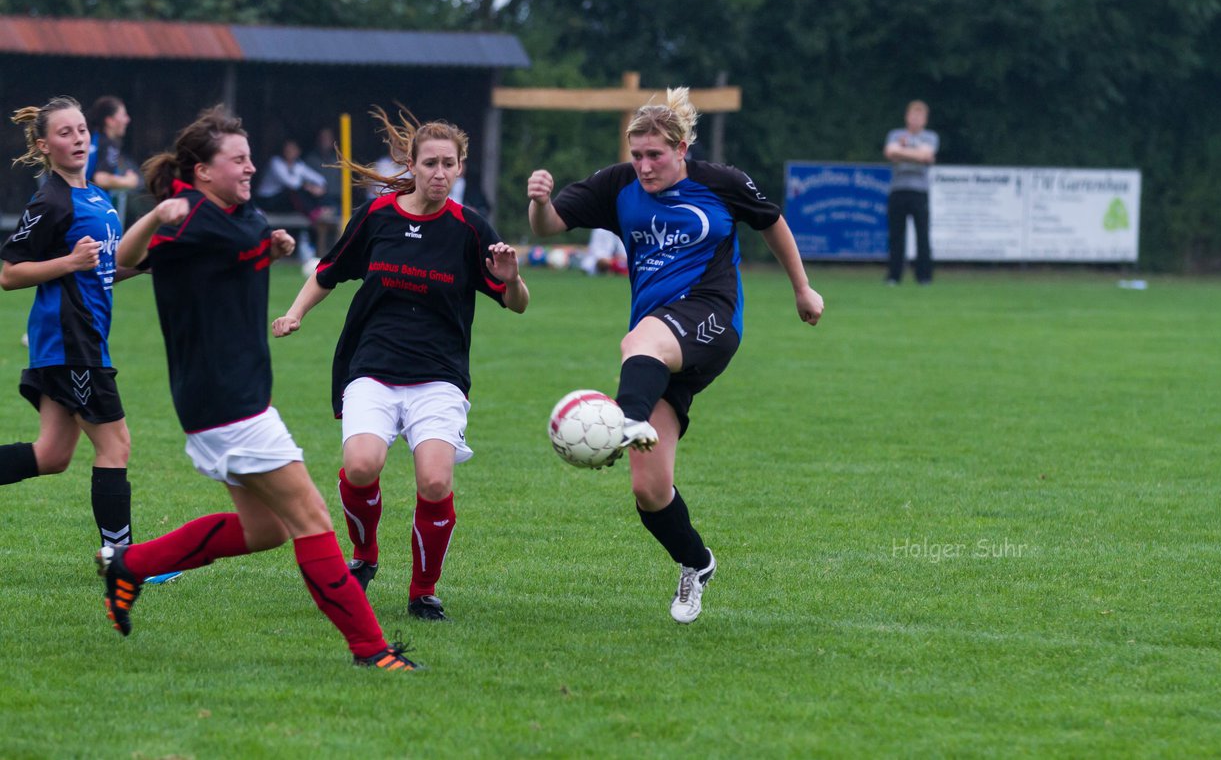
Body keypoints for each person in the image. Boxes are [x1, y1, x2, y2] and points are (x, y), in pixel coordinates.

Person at [100, 106, 417, 670]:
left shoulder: (236, 211)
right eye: (239, 159)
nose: (251, 167)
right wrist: (154, 219)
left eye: (249, 157)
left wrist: (266, 248)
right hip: (227, 402)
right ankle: (372, 650)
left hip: (235, 396)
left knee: (264, 529)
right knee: (312, 520)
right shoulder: (185, 219)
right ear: (201, 170)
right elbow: (124, 261)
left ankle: (130, 565)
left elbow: (230, 255)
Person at [527, 87, 824, 624]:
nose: (643, 165)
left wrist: (802, 289)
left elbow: (771, 222)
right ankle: (696, 562)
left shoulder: (720, 183)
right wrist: (539, 201)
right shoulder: (617, 186)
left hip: (711, 317)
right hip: (662, 351)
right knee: (649, 488)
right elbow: (547, 228)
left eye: (655, 155)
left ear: (682, 147)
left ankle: (626, 419)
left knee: (637, 342)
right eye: (636, 155)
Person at [272, 107, 528, 623]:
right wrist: (294, 312)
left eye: (448, 164)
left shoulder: (470, 228)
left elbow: (516, 302)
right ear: (411, 164)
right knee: (362, 464)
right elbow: (329, 271)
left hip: (439, 375)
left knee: (435, 482)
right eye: (430, 162)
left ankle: (423, 591)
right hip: (373, 366)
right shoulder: (378, 217)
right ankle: (364, 557)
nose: (439, 172)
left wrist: (512, 276)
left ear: (460, 169)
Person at [0, 96, 136, 553]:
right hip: (70, 340)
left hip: (82, 338)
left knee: (53, 456)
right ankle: (122, 558)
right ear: (44, 145)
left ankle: (119, 556)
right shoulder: (50, 201)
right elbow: (9, 273)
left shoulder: (95, 194)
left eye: (81, 130)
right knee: (115, 445)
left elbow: (99, 268)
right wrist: (69, 260)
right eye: (65, 133)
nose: (77, 139)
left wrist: (147, 263)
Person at [883, 100, 938, 285]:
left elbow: (926, 155)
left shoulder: (930, 137)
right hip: (898, 190)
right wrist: (917, 154)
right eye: (913, 115)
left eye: (919, 116)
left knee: (922, 234)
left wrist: (903, 152)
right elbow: (890, 152)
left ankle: (924, 276)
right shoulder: (895, 134)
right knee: (896, 235)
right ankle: (894, 276)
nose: (915, 119)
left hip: (919, 192)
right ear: (907, 117)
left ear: (925, 120)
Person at [255, 139, 331, 261]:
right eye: (288, 149)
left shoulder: (298, 165)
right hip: (267, 201)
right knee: (294, 192)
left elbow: (320, 180)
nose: (290, 152)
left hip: (284, 202)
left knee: (309, 191)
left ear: (298, 152)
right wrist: (309, 186)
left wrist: (318, 188)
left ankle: (320, 210)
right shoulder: (276, 162)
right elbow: (292, 184)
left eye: (293, 149)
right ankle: (313, 213)